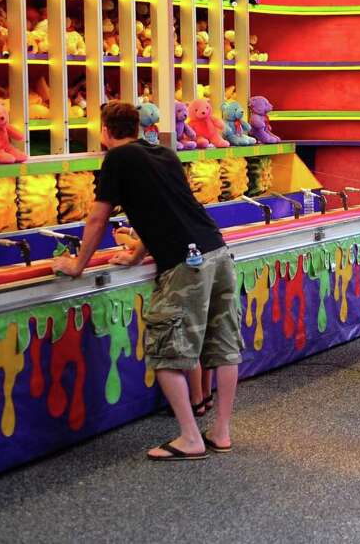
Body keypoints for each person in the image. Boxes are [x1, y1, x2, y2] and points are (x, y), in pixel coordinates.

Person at [50, 101, 241, 460]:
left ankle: (189, 438)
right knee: (223, 345)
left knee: (166, 351)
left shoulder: (116, 160)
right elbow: (165, 208)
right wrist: (137, 253)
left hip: (186, 264)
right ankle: (220, 432)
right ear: (137, 127)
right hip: (218, 252)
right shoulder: (164, 153)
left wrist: (77, 264)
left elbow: (97, 219)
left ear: (104, 131)